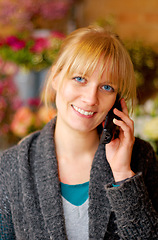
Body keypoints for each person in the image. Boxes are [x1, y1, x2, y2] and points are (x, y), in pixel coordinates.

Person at [0, 25, 158, 240]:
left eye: (107, 87)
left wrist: (122, 175)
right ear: (56, 77)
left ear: (117, 100)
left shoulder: (140, 157)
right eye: (80, 79)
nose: (91, 99)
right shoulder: (11, 167)